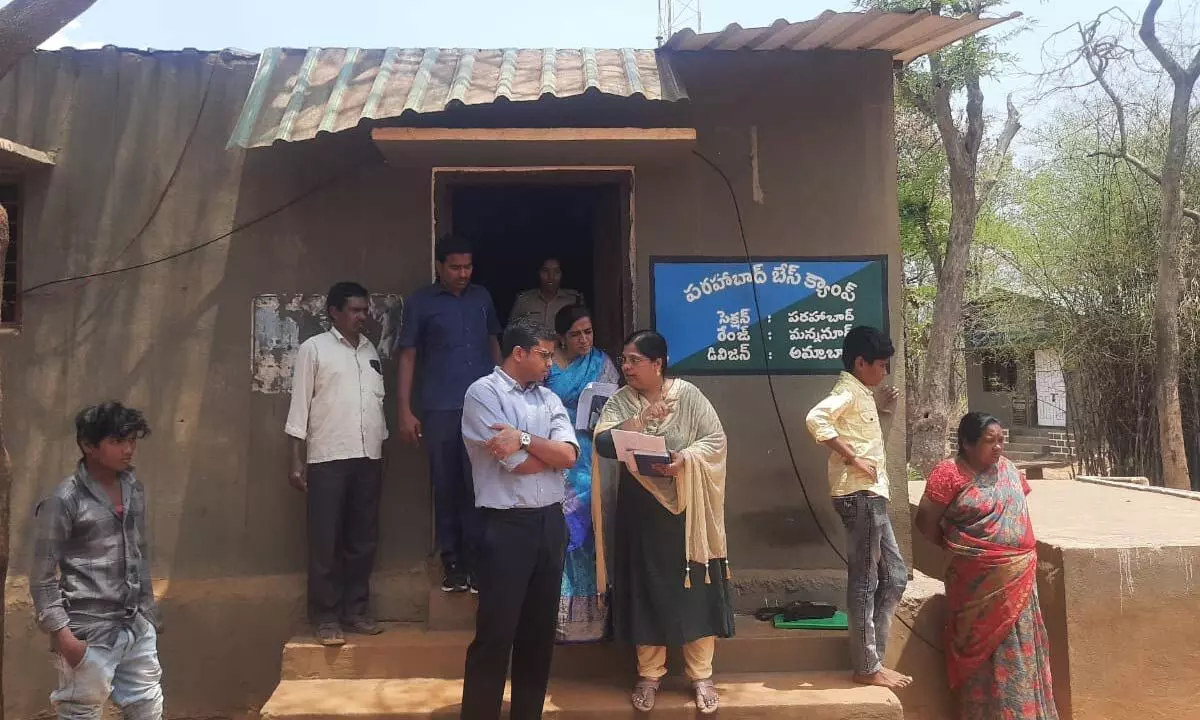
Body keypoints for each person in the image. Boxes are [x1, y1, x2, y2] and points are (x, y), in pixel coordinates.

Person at [593, 330, 733, 715]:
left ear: (658, 364)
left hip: (689, 510)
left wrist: (684, 460)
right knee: (647, 588)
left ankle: (701, 674)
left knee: (696, 588)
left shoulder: (687, 396)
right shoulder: (622, 401)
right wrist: (638, 421)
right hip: (641, 511)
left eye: (634, 360)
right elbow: (603, 444)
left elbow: (715, 441)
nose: (626, 367)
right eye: (624, 360)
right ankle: (650, 674)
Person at [459, 317, 579, 720]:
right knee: (496, 634)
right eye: (546, 354)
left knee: (538, 636)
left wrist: (526, 439)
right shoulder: (483, 393)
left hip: (550, 524)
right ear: (519, 353)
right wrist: (542, 455)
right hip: (505, 527)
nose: (552, 363)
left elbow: (570, 456)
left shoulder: (548, 399)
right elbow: (518, 466)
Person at [916, 413, 1058, 720]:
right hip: (974, 583)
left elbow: (1016, 512)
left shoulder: (1009, 470)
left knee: (1020, 651)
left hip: (1018, 580)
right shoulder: (948, 473)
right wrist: (966, 551)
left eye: (1001, 440)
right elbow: (925, 522)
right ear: (967, 444)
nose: (997, 447)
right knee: (983, 657)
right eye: (988, 441)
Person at [31, 402, 164, 720]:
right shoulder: (65, 499)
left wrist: (148, 616)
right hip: (88, 633)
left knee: (147, 705)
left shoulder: (133, 488)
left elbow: (139, 553)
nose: (128, 449)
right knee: (81, 712)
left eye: (132, 440)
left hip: (134, 627)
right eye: (118, 441)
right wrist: (65, 638)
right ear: (88, 445)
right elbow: (42, 577)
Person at [805, 325, 911, 690]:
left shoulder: (861, 393)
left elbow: (857, 424)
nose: (884, 372)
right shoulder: (844, 393)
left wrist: (877, 406)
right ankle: (866, 665)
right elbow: (815, 419)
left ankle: (874, 659)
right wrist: (853, 459)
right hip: (859, 496)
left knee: (896, 576)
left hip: (873, 496)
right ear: (861, 362)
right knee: (865, 581)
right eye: (880, 365)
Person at [398, 234, 503, 593]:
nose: (463, 273)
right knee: (446, 484)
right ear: (439, 266)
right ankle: (452, 562)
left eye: (468, 266)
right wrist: (404, 411)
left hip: (483, 409)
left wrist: (507, 393)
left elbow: (494, 342)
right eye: (455, 267)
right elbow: (408, 355)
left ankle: (478, 561)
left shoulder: (482, 298)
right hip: (440, 406)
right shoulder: (420, 303)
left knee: (481, 482)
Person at [285, 281, 388, 645]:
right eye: (356, 310)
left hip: (368, 457)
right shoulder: (314, 349)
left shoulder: (369, 349)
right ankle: (325, 617)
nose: (363, 316)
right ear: (334, 312)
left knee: (362, 539)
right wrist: (296, 459)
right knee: (325, 541)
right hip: (328, 457)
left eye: (365, 310)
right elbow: (300, 406)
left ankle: (356, 610)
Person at [545, 305, 620, 643]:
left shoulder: (602, 364)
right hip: (554, 457)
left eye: (588, 332)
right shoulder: (547, 364)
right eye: (575, 334)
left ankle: (590, 621)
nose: (584, 339)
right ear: (562, 337)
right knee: (558, 535)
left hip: (591, 460)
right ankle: (558, 619)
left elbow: (618, 406)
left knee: (590, 534)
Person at [509, 257, 584, 327]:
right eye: (545, 271)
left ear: (562, 274)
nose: (551, 276)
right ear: (539, 273)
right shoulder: (524, 300)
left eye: (556, 272)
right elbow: (511, 333)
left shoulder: (574, 299)